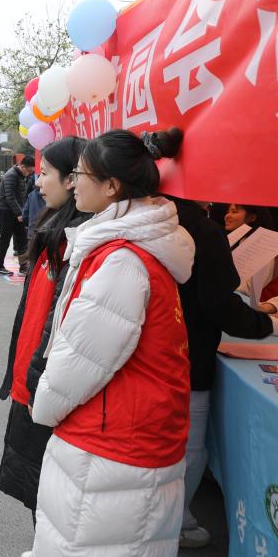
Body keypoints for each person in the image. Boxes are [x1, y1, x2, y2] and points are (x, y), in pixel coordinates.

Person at [28, 128, 194, 555]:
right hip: (126, 441)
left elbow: (80, 361)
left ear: (111, 186)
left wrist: (42, 406)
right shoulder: (132, 248)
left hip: (112, 449)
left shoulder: (122, 261)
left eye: (81, 174)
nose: (74, 183)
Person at [165, 196, 277, 548]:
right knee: (188, 447)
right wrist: (264, 323)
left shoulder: (151, 219)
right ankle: (175, 523)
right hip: (188, 357)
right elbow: (219, 304)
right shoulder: (201, 231)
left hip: (161, 353)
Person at [0, 137, 89, 524]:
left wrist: (37, 385)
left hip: (46, 388)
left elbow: (61, 330)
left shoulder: (79, 242)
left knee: (50, 498)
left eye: (45, 173)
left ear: (72, 179)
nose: (37, 182)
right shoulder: (56, 227)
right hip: (32, 382)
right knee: (38, 492)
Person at [225, 204, 278, 313]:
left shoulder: (263, 245)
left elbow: (248, 289)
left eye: (234, 211)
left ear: (253, 217)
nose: (227, 216)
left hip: (246, 306)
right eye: (228, 211)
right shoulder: (235, 241)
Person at [0, 156, 35, 276]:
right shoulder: (11, 175)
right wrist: (19, 213)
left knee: (22, 239)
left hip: (16, 211)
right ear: (22, 167)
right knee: (5, 239)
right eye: (29, 171)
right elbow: (10, 197)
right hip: (5, 211)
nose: (29, 174)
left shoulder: (21, 175)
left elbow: (20, 196)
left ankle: (23, 267)